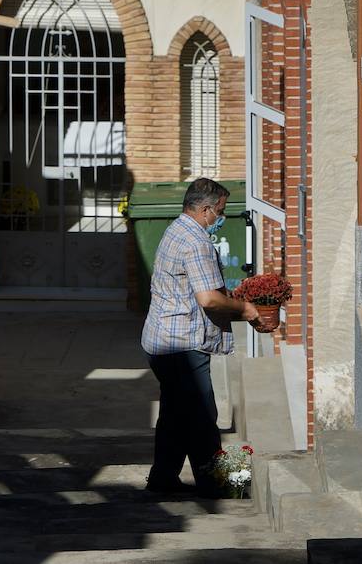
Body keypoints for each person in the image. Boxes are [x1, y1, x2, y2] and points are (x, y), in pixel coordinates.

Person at [141, 177, 260, 496]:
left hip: (162, 340)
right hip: (182, 345)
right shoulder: (196, 242)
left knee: (175, 414)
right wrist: (245, 309)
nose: (221, 217)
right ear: (206, 210)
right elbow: (208, 298)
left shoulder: (176, 229)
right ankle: (220, 484)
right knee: (203, 416)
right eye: (220, 211)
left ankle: (162, 479)